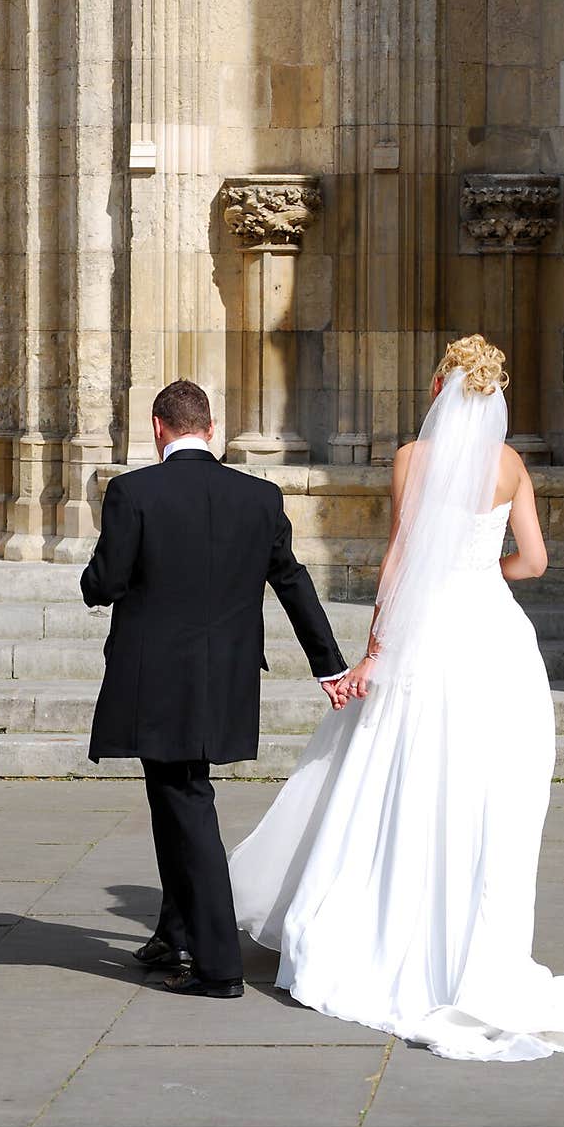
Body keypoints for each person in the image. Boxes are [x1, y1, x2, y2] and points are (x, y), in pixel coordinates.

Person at [229, 335, 564, 1061]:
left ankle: (387, 932)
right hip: (496, 641)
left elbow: (399, 557)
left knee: (403, 777)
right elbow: (535, 561)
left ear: (441, 388)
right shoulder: (511, 466)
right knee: (486, 793)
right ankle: (474, 950)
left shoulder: (412, 460)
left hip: (429, 632)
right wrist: (485, 568)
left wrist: (375, 647)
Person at [80, 379, 348, 999]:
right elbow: (293, 581)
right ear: (211, 427)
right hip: (224, 679)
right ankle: (173, 931)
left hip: (156, 679)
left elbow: (106, 582)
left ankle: (219, 964)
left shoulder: (133, 491)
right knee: (173, 795)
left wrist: (93, 579)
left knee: (185, 801)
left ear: (157, 427)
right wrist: (327, 666)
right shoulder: (258, 496)